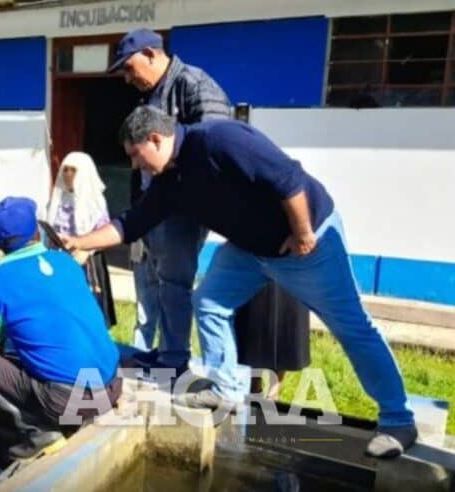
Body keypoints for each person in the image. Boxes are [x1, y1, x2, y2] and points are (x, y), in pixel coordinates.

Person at [65, 106, 417, 459]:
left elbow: (288, 179)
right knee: (208, 301)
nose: (135, 166)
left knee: (352, 326)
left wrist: (303, 233)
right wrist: (79, 243)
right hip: (250, 252)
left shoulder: (220, 140)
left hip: (307, 246)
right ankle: (228, 389)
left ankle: (398, 419)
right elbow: (133, 223)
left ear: (155, 139)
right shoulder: (171, 182)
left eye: (136, 156)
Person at [107, 28, 231, 375]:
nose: (128, 78)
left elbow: (213, 151)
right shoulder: (150, 95)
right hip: (152, 206)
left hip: (180, 209)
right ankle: (163, 351)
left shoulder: (194, 85)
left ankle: (175, 359)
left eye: (130, 68)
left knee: (174, 283)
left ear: (150, 53)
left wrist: (175, 192)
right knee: (153, 283)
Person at [0, 197, 121, 460]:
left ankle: (39, 432)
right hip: (111, 387)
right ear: (37, 232)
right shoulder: (67, 264)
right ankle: (77, 415)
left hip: (69, 402)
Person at [46, 151, 116, 326]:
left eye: (73, 170)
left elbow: (104, 231)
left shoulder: (95, 201)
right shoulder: (58, 198)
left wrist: (86, 250)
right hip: (60, 258)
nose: (68, 174)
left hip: (87, 260)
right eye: (65, 170)